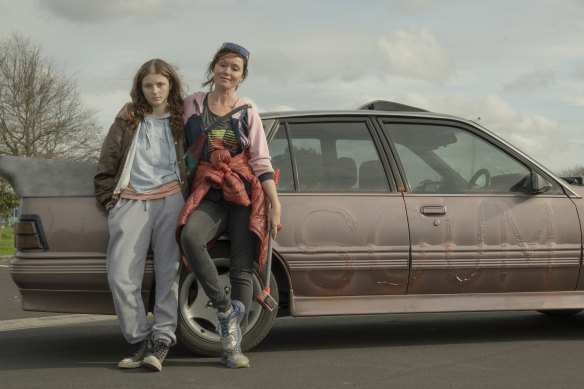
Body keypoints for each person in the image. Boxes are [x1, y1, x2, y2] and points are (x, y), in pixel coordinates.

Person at [176, 42, 281, 369]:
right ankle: (226, 309)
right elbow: (163, 122)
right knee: (190, 237)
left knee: (240, 267)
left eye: (235, 68)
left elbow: (261, 161)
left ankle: (231, 348)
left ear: (242, 76)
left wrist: (274, 204)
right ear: (214, 68)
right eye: (223, 65)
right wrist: (129, 111)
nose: (227, 71)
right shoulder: (191, 104)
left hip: (245, 193)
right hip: (209, 191)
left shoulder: (248, 112)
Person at [94, 59, 189, 372]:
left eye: (161, 84)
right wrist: (110, 201)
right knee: (121, 276)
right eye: (148, 85)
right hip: (131, 201)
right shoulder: (128, 118)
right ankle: (139, 339)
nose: (155, 90)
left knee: (168, 273)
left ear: (170, 85)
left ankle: (162, 338)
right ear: (140, 88)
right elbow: (107, 161)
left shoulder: (183, 117)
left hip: (172, 198)